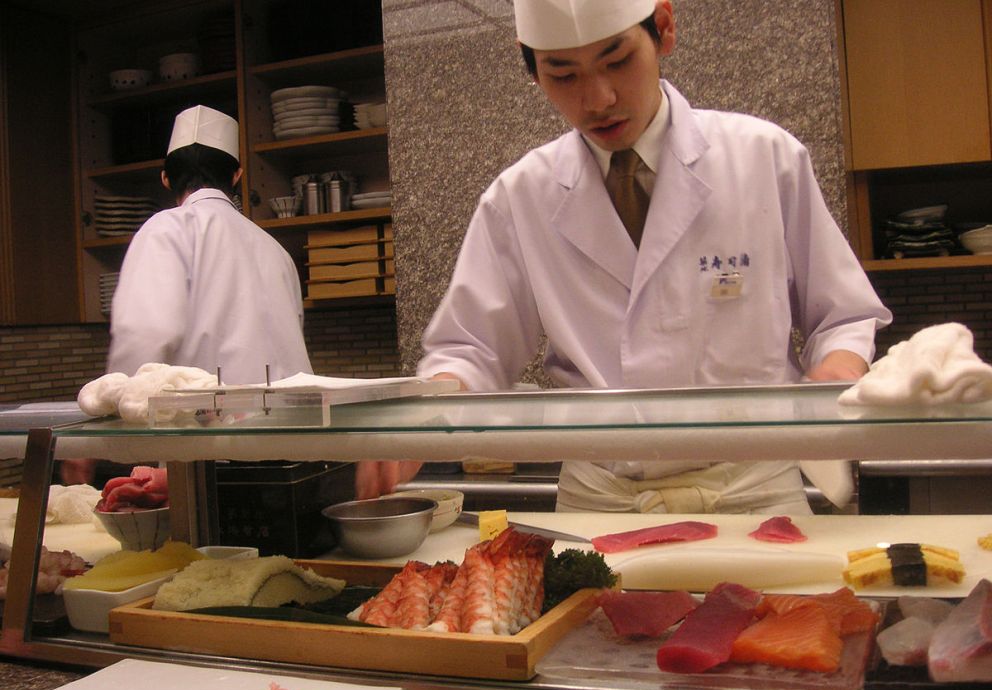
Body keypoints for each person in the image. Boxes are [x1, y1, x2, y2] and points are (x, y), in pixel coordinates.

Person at [357, 0, 891, 513]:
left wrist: (834, 373)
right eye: (563, 75)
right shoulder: (519, 197)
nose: (598, 98)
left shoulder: (764, 158)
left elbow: (841, 315)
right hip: (602, 502)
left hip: (752, 493)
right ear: (532, 67)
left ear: (664, 27)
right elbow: (472, 348)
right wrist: (426, 413)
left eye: (617, 60)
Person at [62, 105, 312, 485]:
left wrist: (104, 430)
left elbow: (145, 333)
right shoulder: (275, 248)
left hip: (208, 461)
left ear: (165, 179)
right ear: (238, 176)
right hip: (295, 453)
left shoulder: (165, 229)